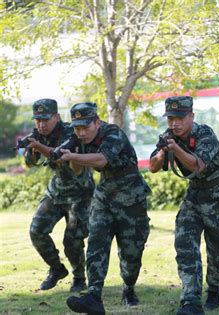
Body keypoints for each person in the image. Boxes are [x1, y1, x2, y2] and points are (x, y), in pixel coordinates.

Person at [149, 96, 219, 315]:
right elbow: (153, 167)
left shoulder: (205, 134)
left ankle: (215, 290)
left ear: (191, 116)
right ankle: (190, 300)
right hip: (195, 197)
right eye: (171, 118)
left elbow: (198, 165)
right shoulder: (168, 137)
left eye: (180, 118)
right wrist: (163, 151)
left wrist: (176, 149)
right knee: (184, 244)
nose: (175, 123)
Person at [63, 102, 150, 315]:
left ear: (97, 122)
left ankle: (128, 288)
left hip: (131, 199)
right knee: (96, 244)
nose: (81, 132)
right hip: (104, 198)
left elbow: (101, 159)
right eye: (77, 128)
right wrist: (72, 151)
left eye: (85, 127)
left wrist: (73, 156)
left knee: (131, 255)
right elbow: (77, 170)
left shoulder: (113, 133)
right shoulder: (80, 140)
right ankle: (93, 296)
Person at [26, 98, 94, 292]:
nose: (41, 124)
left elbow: (61, 157)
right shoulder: (38, 134)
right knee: (36, 230)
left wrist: (38, 145)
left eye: (45, 119)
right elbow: (31, 163)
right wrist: (31, 148)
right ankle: (56, 269)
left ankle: (79, 277)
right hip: (56, 192)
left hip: (80, 193)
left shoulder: (70, 132)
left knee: (72, 240)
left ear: (56, 117)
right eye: (38, 120)